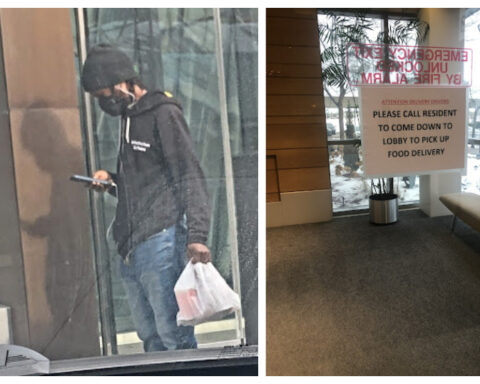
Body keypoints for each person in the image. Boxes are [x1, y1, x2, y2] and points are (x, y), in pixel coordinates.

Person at [81, 43, 211, 352]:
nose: (104, 103)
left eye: (104, 95)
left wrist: (197, 234)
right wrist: (111, 183)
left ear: (122, 81)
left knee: (173, 333)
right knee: (150, 336)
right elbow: (143, 183)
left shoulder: (162, 113)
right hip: (131, 245)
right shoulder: (129, 117)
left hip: (160, 241)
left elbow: (189, 172)